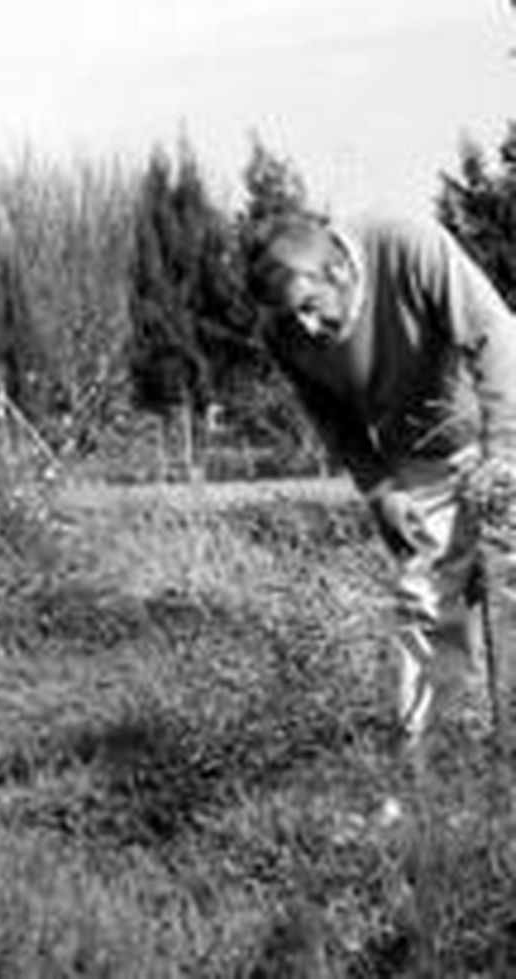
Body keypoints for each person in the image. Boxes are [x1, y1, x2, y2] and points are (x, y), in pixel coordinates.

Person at [247, 210, 516, 786]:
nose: (307, 330)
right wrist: (379, 490)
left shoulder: (409, 247)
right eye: (290, 318)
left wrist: (506, 453)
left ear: (341, 269)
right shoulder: (281, 332)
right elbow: (333, 419)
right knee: (424, 603)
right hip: (417, 459)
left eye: (311, 308)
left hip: (499, 427)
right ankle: (421, 779)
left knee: (510, 592)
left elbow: (495, 336)